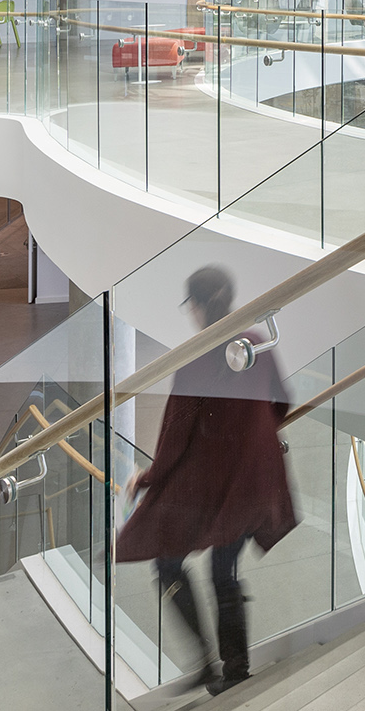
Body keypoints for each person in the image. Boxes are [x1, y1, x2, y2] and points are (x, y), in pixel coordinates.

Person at [115, 267, 298, 695]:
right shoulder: (255, 342)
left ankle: (206, 661)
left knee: (167, 562)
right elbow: (283, 400)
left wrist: (150, 476)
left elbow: (176, 434)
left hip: (217, 484)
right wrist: (252, 434)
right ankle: (235, 670)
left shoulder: (198, 354)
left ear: (196, 306)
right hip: (253, 478)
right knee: (224, 567)